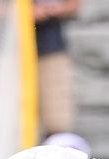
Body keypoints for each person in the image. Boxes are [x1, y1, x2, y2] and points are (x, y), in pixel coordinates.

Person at [34, 0, 79, 138]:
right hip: (9, 56)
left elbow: (75, 5)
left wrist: (54, 9)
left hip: (50, 49)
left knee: (57, 121)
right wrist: (19, 15)